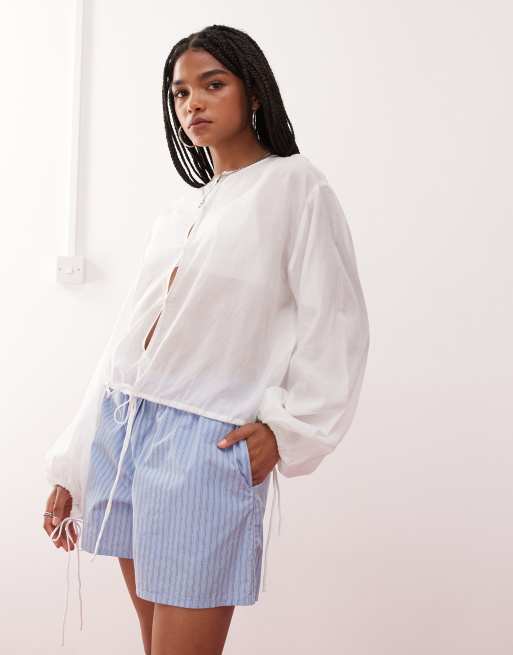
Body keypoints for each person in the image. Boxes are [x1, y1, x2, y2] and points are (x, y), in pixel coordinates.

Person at [43, 23, 370, 654]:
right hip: (125, 429)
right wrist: (73, 463)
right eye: (180, 92)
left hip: (205, 442)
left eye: (212, 84)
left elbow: (336, 322)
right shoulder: (180, 212)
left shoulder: (295, 186)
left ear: (253, 92)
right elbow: (124, 348)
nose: (192, 102)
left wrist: (288, 430)